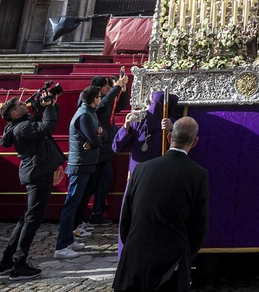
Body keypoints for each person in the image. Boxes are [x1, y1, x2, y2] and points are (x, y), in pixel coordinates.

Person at [114, 117, 208, 292]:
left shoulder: (141, 169)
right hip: (171, 265)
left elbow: (125, 217)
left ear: (169, 137)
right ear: (195, 142)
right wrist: (184, 255)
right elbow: (199, 226)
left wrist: (132, 248)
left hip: (134, 260)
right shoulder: (198, 175)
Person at [0, 89, 64, 281]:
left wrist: (51, 104)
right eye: (19, 105)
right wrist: (48, 107)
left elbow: (43, 123)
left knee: (26, 219)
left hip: (37, 171)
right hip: (38, 173)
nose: (23, 105)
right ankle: (19, 264)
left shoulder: (20, 124)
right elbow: (47, 127)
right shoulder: (22, 127)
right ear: (13, 114)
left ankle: (6, 261)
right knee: (32, 219)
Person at [56, 85, 104, 258]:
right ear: (93, 99)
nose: (100, 99)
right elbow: (96, 138)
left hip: (87, 162)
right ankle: (62, 245)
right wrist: (95, 137)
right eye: (98, 97)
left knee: (77, 203)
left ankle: (69, 240)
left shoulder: (91, 113)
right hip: (80, 164)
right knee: (71, 204)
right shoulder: (83, 115)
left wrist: (96, 136)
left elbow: (101, 134)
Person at [87, 71, 130, 225]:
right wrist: (117, 87)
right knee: (94, 184)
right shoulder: (93, 103)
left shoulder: (103, 101)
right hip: (98, 149)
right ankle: (92, 214)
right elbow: (105, 104)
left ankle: (97, 213)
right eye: (106, 87)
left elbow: (117, 105)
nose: (108, 89)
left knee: (104, 181)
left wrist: (122, 91)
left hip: (106, 149)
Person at [115, 91, 172, 174]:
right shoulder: (138, 121)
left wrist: (172, 128)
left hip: (157, 174)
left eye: (158, 104)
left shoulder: (168, 123)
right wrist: (126, 127)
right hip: (136, 174)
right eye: (152, 103)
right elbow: (116, 147)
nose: (154, 108)